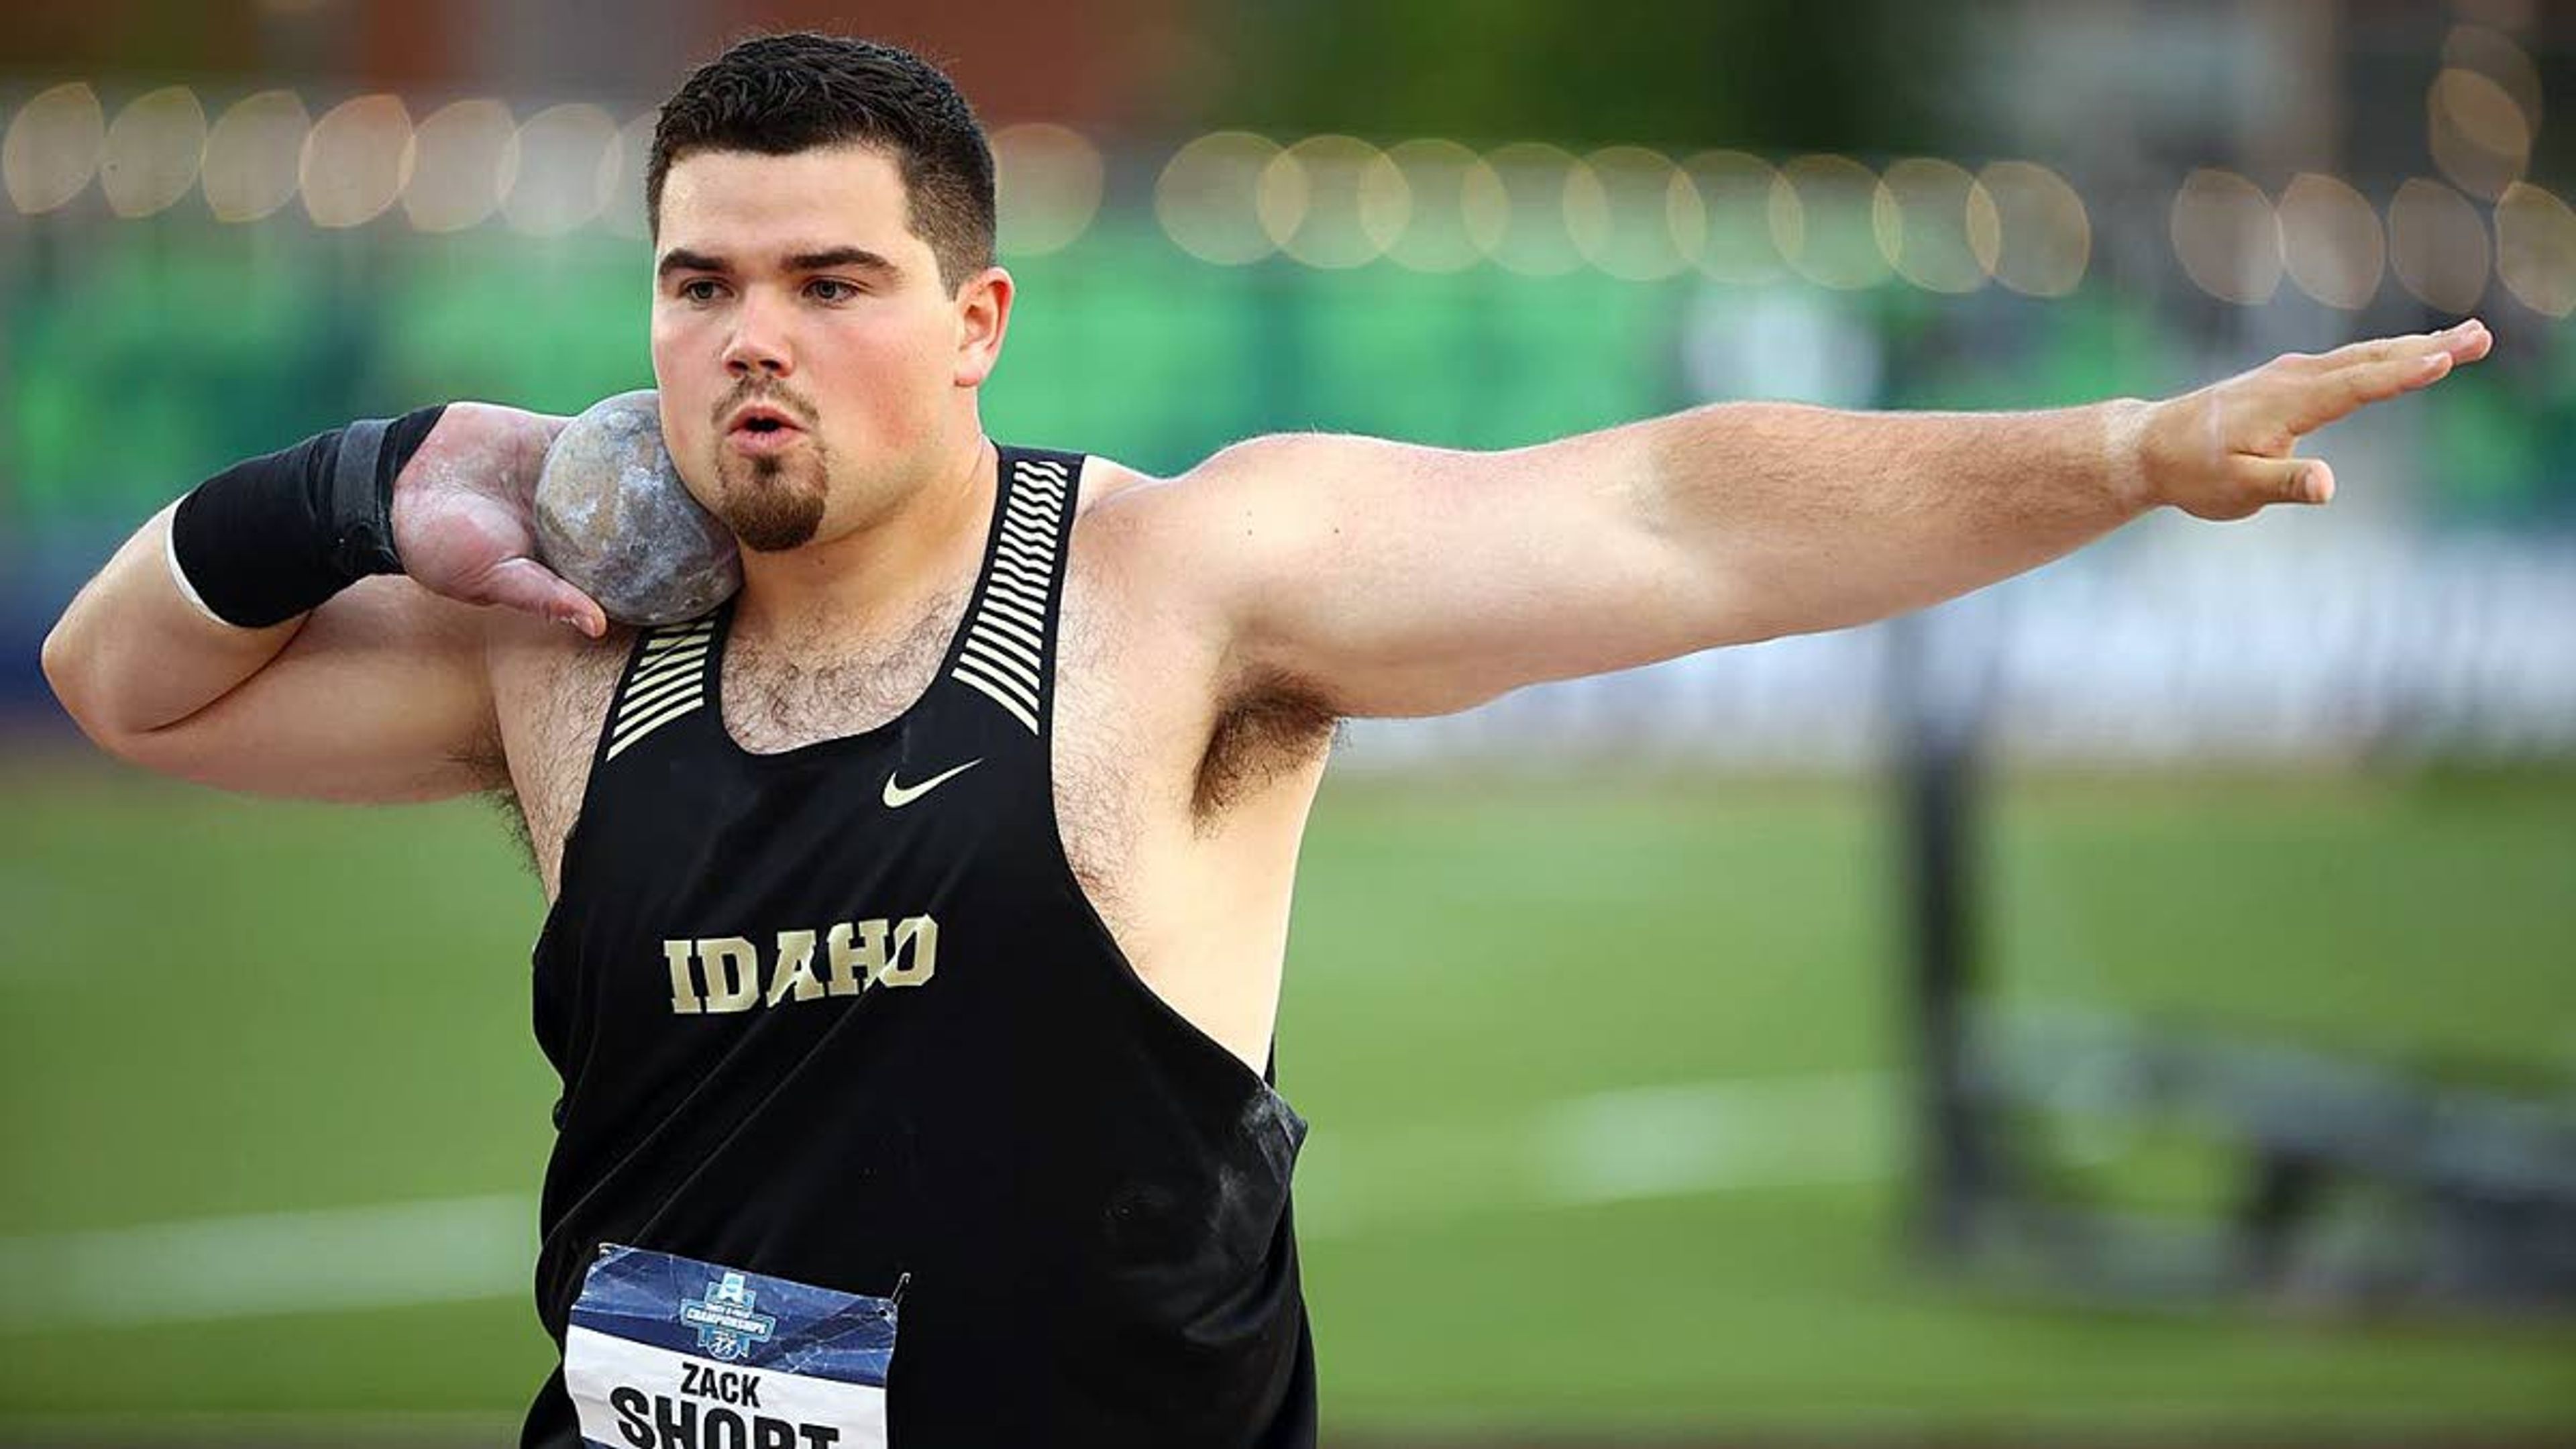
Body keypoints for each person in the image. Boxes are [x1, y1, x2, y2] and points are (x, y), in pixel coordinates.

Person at [39, 30, 2489, 1449]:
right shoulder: (563, 651)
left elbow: (1669, 509)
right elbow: (124, 682)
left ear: (975, 315)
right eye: (697, 283)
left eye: (831, 280)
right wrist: (370, 477)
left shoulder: (1178, 589)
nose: (750, 337)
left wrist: (2115, 455)